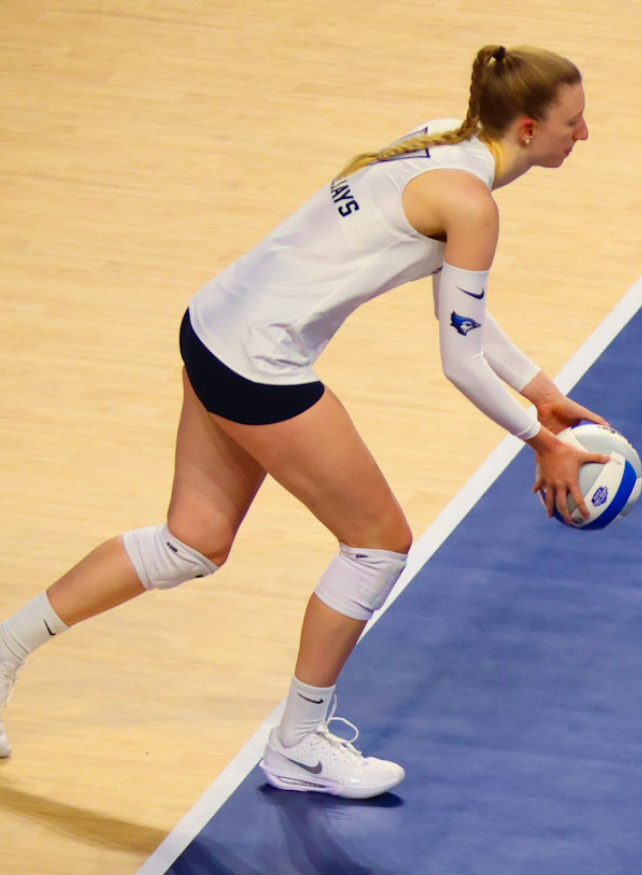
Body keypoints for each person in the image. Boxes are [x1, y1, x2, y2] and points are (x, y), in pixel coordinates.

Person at [0, 44, 608, 799]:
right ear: (524, 128)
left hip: (215, 323)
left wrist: (540, 389)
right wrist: (539, 442)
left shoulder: (437, 139)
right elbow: (457, 361)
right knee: (379, 544)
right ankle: (299, 744)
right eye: (571, 123)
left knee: (191, 541)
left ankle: (2, 651)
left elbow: (469, 323)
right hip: (260, 362)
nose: (581, 135)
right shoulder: (472, 204)